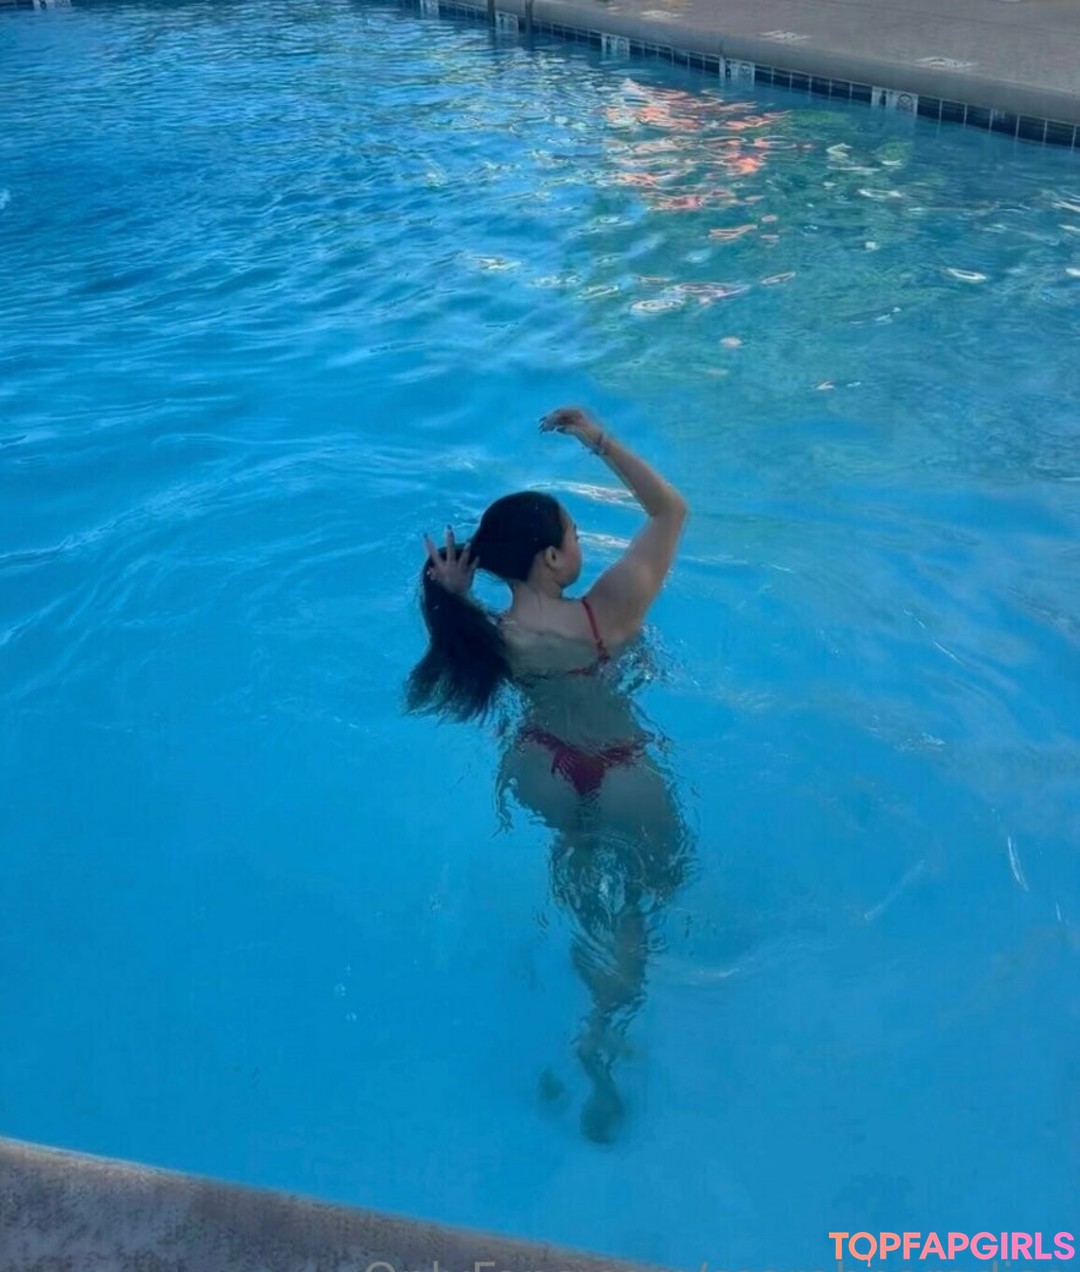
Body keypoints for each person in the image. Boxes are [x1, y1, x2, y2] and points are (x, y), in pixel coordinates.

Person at [407, 405, 692, 1143]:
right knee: (645, 893)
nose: (579, 546)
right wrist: (597, 439)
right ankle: (603, 1025)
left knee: (579, 866)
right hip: (622, 768)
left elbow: (454, 629)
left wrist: (450, 593)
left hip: (540, 768)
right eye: (573, 536)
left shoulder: (485, 636)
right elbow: (671, 510)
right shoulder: (607, 614)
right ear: (552, 561)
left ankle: (581, 974)